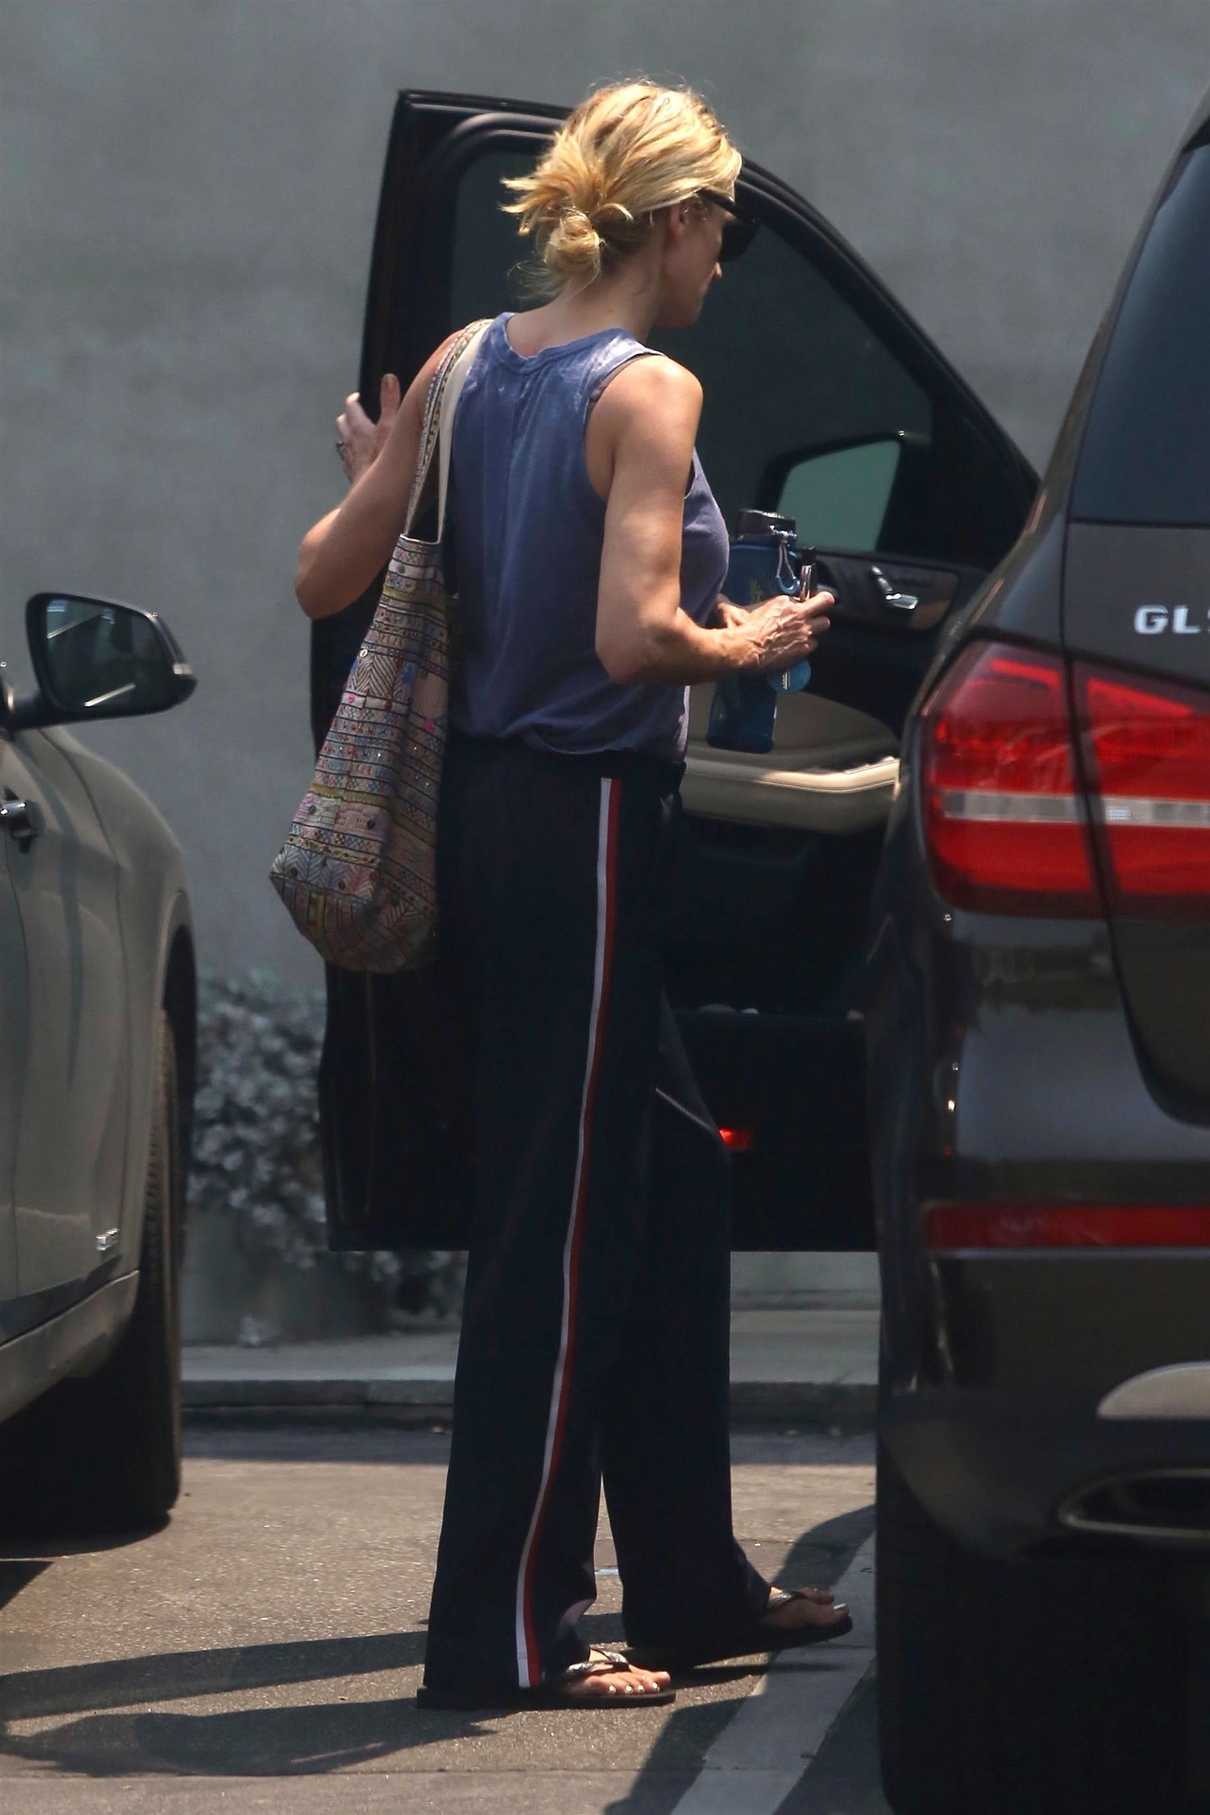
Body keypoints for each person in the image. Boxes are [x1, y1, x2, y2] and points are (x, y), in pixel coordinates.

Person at [295, 79, 847, 1711]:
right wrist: (750, 637)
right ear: (671, 221)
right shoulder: (649, 387)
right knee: (556, 1236)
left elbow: (324, 572)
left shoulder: (469, 364)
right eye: (722, 233)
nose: (723, 265)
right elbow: (631, 640)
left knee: (670, 1185)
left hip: (479, 829)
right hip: (587, 830)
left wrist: (382, 463)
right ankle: (506, 1639)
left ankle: (690, 1586)